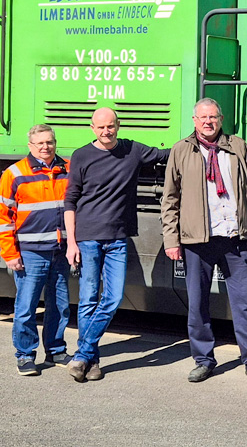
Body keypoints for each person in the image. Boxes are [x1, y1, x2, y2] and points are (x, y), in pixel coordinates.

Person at [162, 97, 247, 382]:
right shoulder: (181, 150)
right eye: (203, 118)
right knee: (198, 303)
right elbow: (170, 198)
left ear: (221, 119)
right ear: (194, 121)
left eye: (213, 117)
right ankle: (204, 360)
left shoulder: (238, 146)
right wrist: (171, 238)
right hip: (197, 240)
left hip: (235, 237)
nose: (208, 122)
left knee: (246, 303)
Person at [62, 107, 170, 383]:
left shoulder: (133, 150)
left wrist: (199, 140)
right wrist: (71, 242)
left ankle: (83, 355)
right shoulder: (81, 155)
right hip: (87, 238)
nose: (106, 131)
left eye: (110, 126)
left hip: (118, 239)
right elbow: (70, 201)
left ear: (118, 126)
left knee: (112, 299)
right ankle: (92, 360)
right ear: (92, 128)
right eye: (100, 127)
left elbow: (166, 154)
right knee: (87, 300)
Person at [0, 124, 71, 375]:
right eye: (39, 143)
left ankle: (56, 350)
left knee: (60, 305)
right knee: (26, 306)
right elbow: (3, 216)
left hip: (59, 250)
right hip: (30, 252)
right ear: (30, 146)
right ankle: (25, 355)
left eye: (49, 142)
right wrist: (9, 253)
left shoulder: (68, 169)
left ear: (55, 142)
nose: (45, 147)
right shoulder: (14, 173)